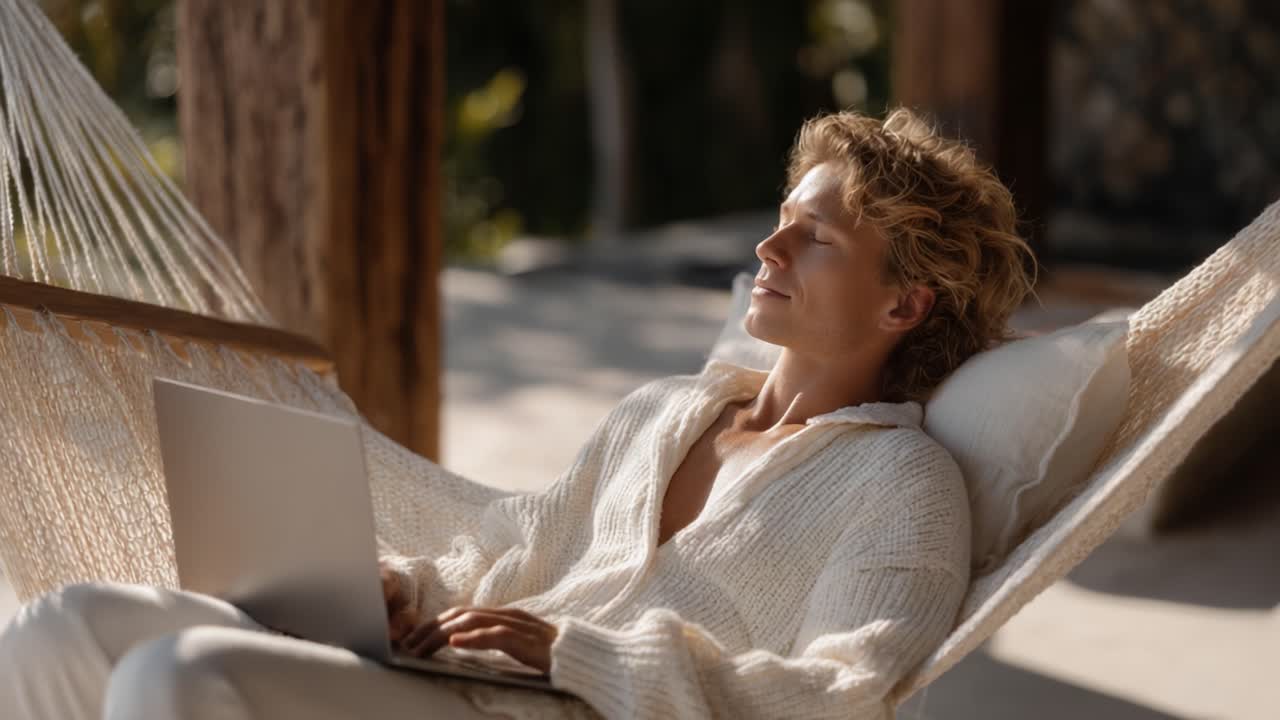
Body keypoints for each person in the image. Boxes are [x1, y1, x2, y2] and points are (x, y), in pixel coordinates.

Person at [0, 107, 1035, 720]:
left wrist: (573, 653)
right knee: (68, 623)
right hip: (448, 672)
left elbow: (840, 695)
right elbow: (508, 546)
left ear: (903, 303)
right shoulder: (665, 411)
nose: (765, 252)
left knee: (180, 676)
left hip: (542, 711)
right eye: (778, 224)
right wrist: (403, 588)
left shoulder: (901, 487)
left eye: (813, 239)